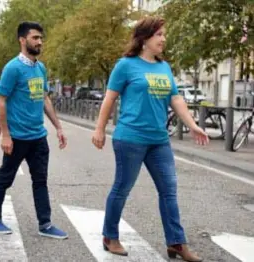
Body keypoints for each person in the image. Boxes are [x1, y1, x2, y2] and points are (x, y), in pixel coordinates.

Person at [92, 17, 207, 262]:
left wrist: (193, 125)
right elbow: (109, 99)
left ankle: (176, 242)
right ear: (144, 39)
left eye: (164, 34)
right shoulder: (126, 65)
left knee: (169, 191)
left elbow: (176, 100)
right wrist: (99, 129)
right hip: (130, 138)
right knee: (122, 188)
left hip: (159, 141)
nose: (164, 39)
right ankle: (109, 236)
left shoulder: (164, 67)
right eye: (159, 34)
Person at [0, 22, 68, 239]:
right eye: (34, 38)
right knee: (5, 178)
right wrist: (6, 134)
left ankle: (45, 224)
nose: (39, 42)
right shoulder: (13, 68)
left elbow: (44, 98)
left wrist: (58, 127)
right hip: (17, 137)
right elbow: (1, 100)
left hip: (38, 137)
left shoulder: (40, 68)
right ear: (22, 40)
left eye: (41, 38)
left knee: (40, 180)